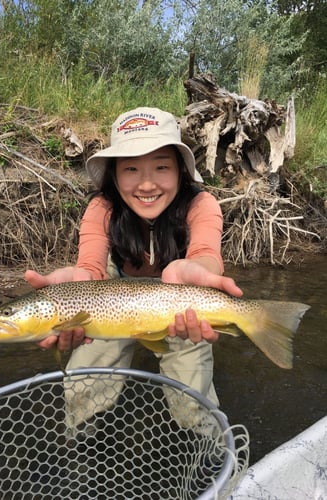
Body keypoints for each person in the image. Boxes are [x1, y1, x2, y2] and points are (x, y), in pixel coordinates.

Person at [25, 107, 242, 431]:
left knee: (193, 404)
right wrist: (74, 289)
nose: (146, 183)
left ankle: (208, 451)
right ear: (114, 174)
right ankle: (83, 443)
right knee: (82, 390)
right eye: (131, 169)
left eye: (161, 167)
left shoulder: (201, 204)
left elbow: (206, 257)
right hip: (110, 301)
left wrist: (198, 273)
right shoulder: (102, 208)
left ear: (181, 171)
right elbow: (90, 269)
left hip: (179, 303)